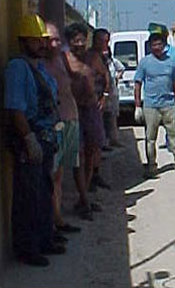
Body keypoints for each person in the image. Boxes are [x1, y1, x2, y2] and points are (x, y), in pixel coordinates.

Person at [5, 14, 66, 267]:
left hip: (46, 138)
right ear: (23, 41)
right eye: (35, 41)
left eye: (42, 40)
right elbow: (15, 108)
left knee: (43, 193)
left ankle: (44, 239)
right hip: (30, 140)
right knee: (28, 197)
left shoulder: (38, 67)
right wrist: (28, 139)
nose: (41, 45)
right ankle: (27, 248)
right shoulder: (18, 68)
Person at [134, 25, 175, 178]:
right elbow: (138, 84)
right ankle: (151, 166)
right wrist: (137, 106)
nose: (157, 47)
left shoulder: (172, 62)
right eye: (154, 44)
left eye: (159, 44)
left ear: (164, 45)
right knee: (150, 138)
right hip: (151, 106)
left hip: (169, 104)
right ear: (150, 46)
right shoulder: (144, 63)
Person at [44, 22, 86, 232]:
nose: (55, 43)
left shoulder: (61, 58)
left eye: (57, 39)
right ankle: (55, 220)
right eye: (50, 39)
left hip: (71, 119)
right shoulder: (41, 64)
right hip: (56, 124)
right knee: (53, 175)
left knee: (61, 173)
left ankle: (58, 218)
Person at [63, 23, 107, 209]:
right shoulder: (64, 59)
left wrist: (103, 96)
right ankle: (84, 197)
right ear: (69, 42)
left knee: (92, 151)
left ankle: (85, 195)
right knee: (77, 154)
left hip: (91, 109)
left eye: (82, 40)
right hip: (73, 112)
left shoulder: (93, 57)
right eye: (75, 40)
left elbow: (105, 77)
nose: (79, 44)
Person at [86, 28, 112, 192]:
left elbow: (106, 77)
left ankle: (94, 174)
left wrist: (105, 96)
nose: (105, 44)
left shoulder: (102, 57)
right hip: (88, 103)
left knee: (96, 143)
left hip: (97, 103)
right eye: (102, 41)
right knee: (90, 144)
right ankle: (89, 177)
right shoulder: (90, 56)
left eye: (106, 41)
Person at [103, 47, 125, 147]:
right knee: (103, 118)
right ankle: (104, 142)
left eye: (106, 51)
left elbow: (121, 68)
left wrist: (117, 76)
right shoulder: (98, 62)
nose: (105, 53)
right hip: (102, 95)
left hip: (113, 93)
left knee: (113, 117)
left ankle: (114, 139)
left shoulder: (113, 62)